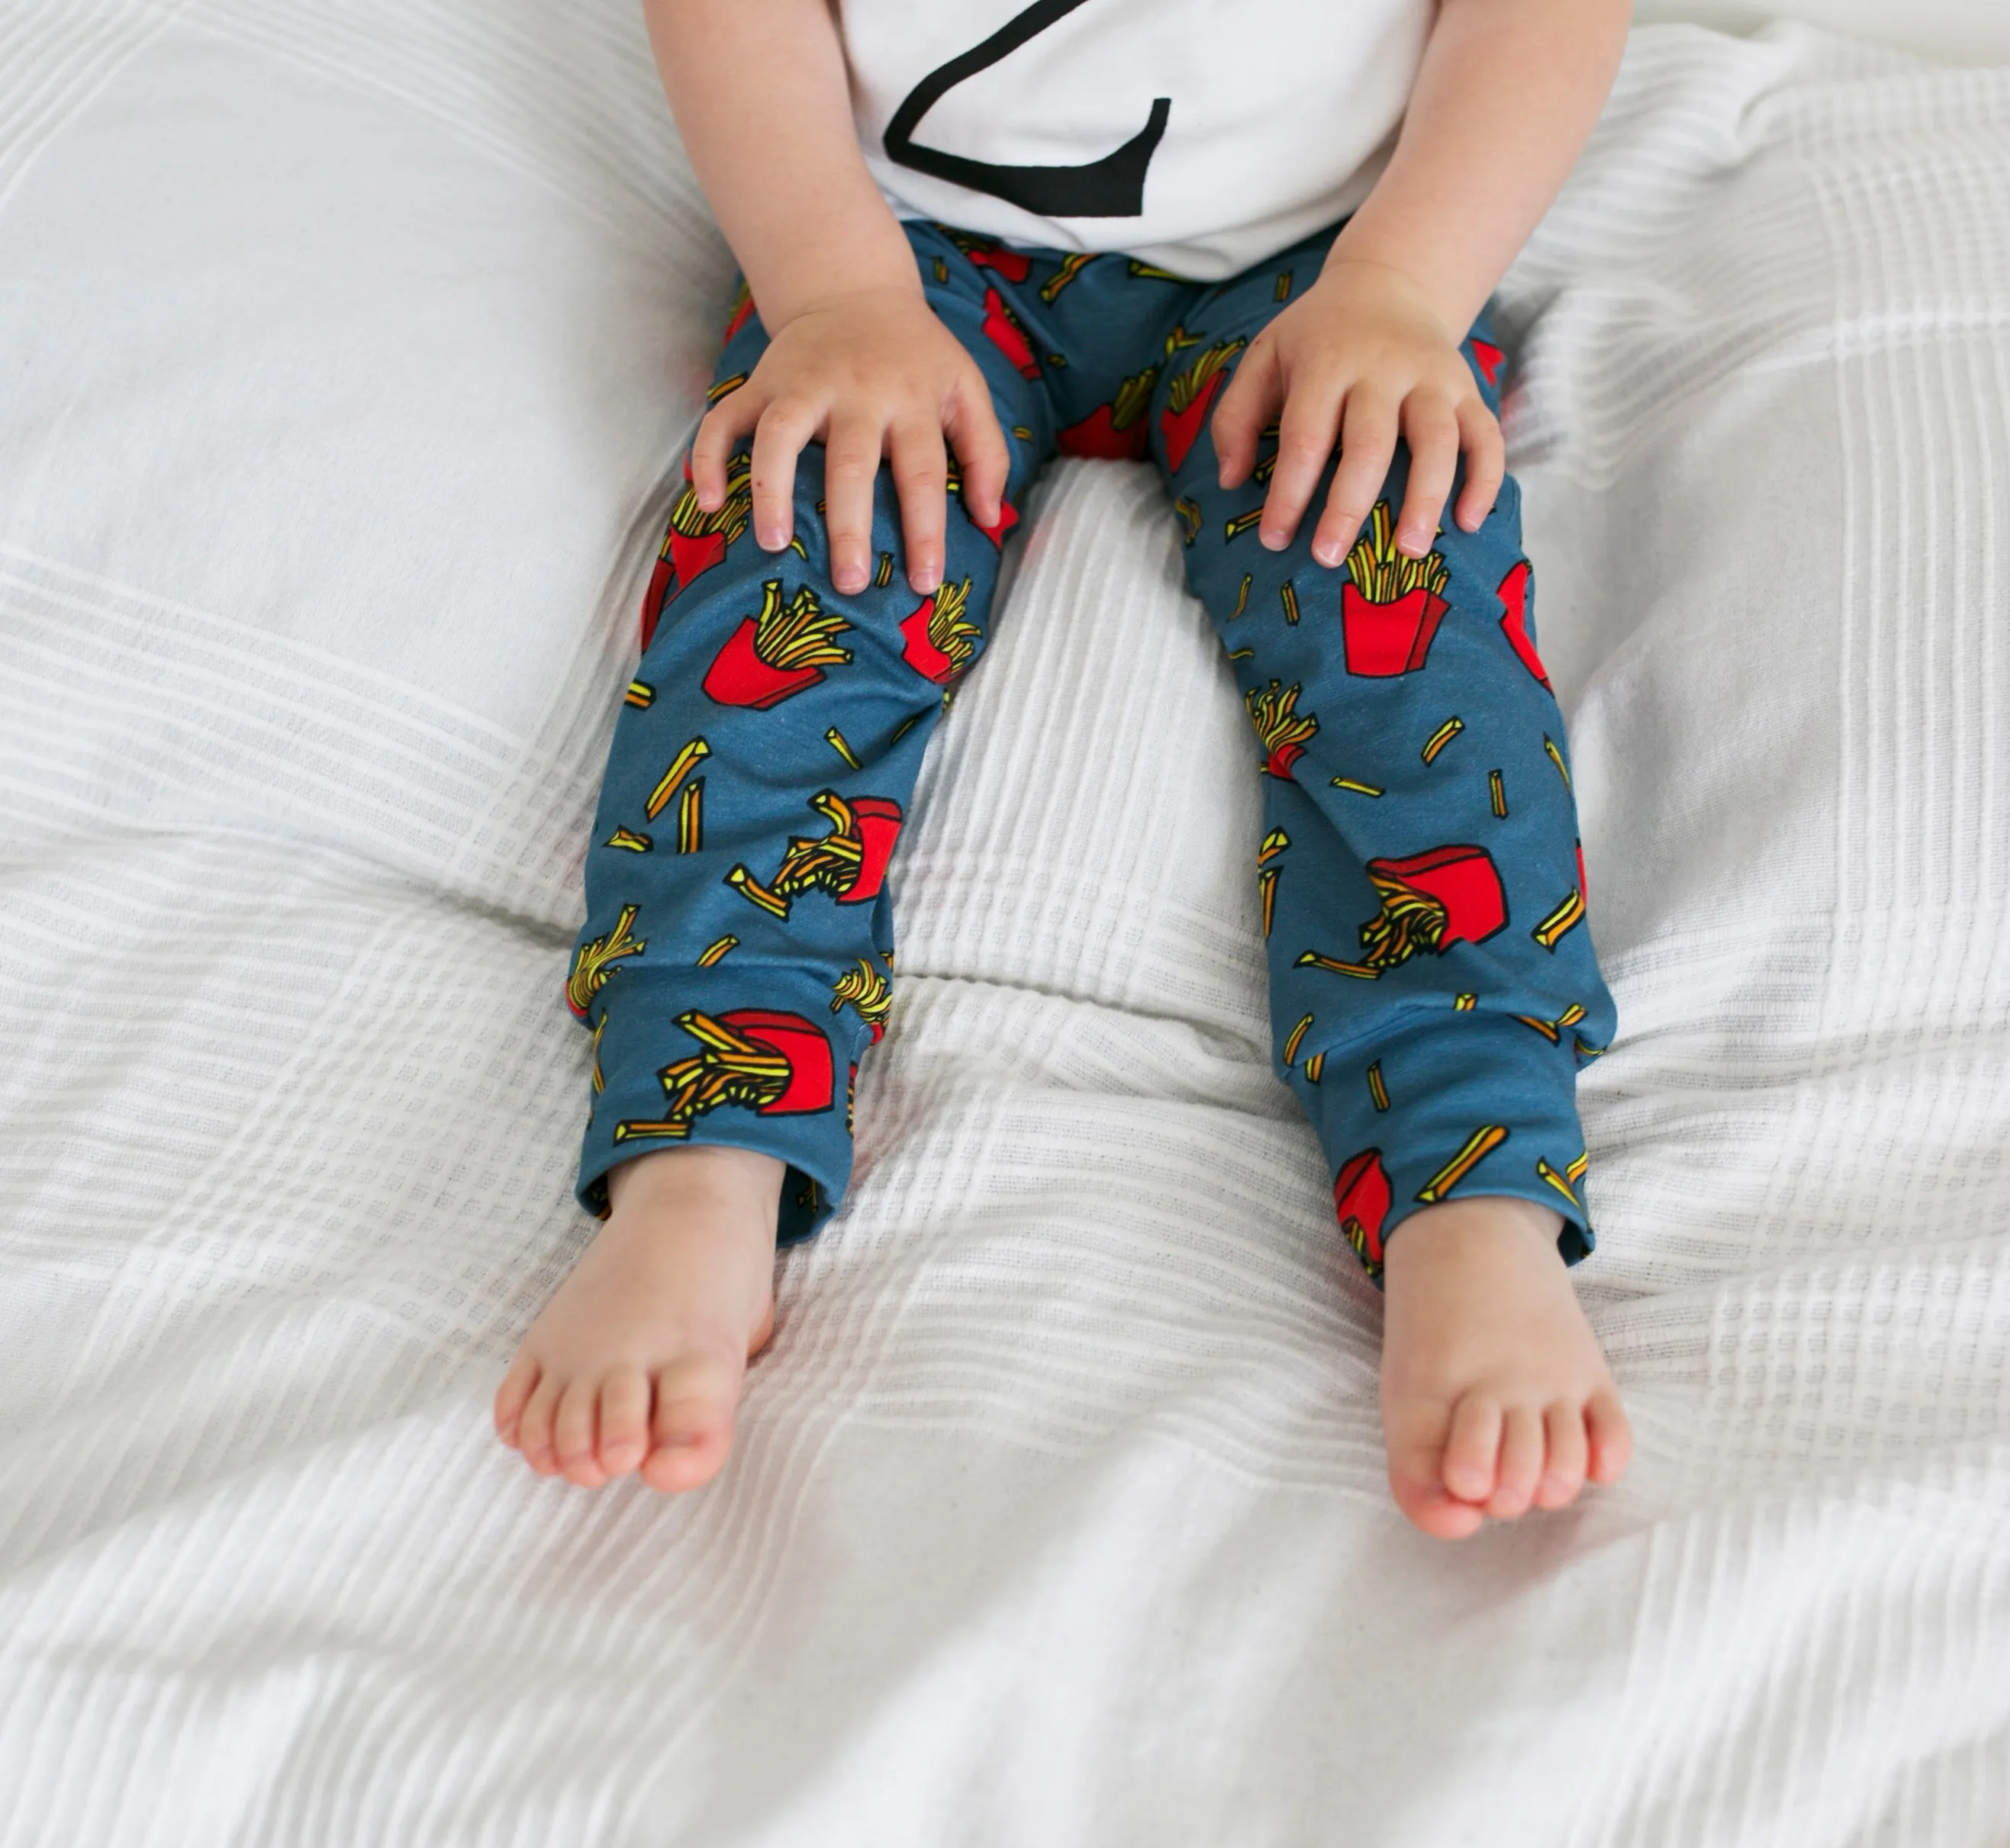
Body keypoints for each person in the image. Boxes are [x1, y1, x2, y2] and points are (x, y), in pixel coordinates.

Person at [495, 0, 1636, 1539]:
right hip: (908, 257)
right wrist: (832, 290)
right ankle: (705, 1148)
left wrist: (1403, 291)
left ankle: (1473, 1178)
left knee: (1407, 627)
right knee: (794, 586)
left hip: (1329, 265)